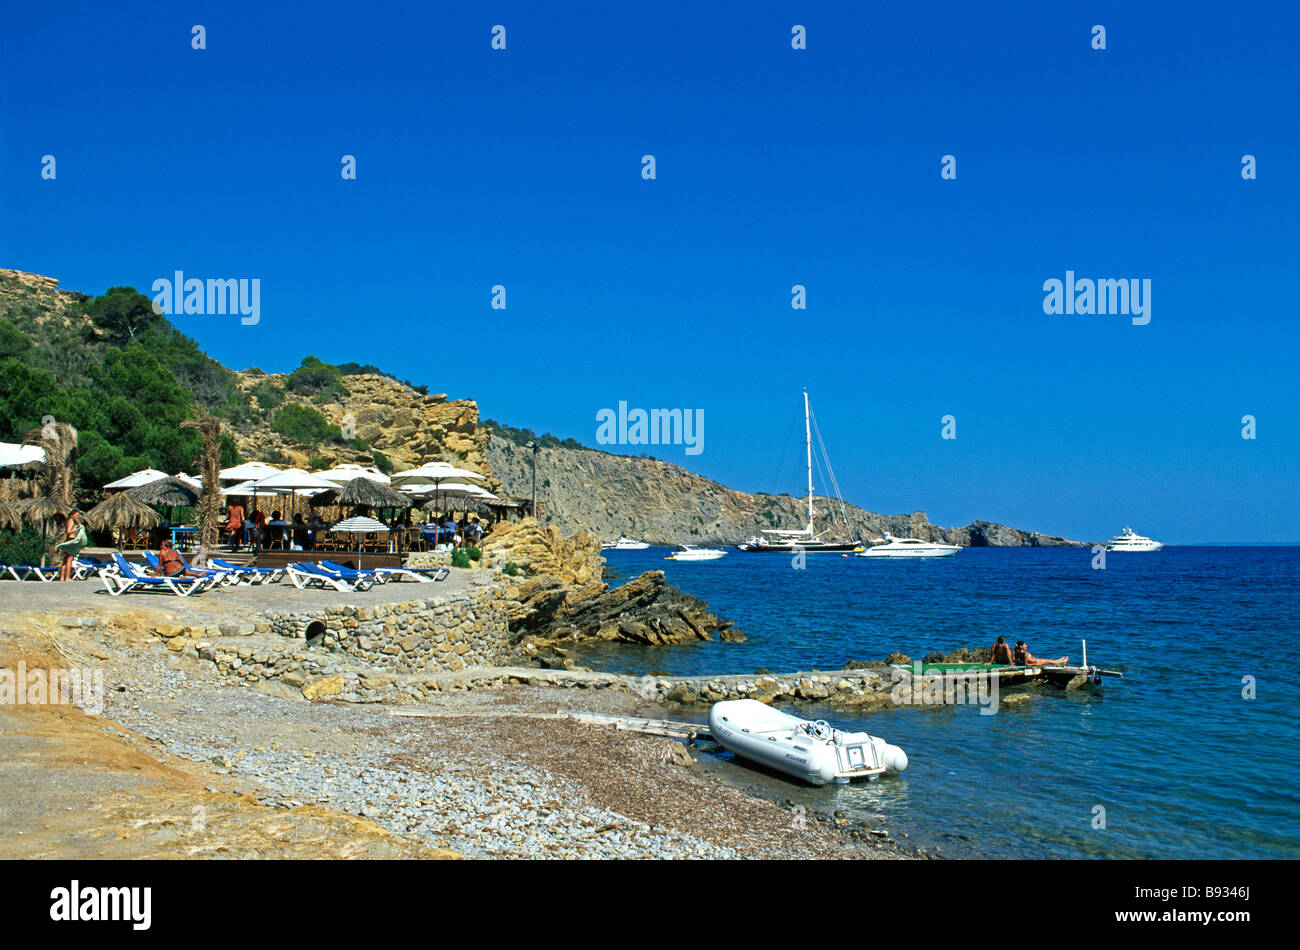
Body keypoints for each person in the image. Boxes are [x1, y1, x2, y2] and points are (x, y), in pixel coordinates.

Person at [55, 511, 88, 581]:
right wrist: (77, 529)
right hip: (71, 540)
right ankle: (67, 577)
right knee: (69, 560)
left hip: (69, 540)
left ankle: (62, 577)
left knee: (65, 560)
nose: (77, 517)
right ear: (71, 515)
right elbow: (68, 531)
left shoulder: (71, 521)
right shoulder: (71, 521)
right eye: (76, 515)